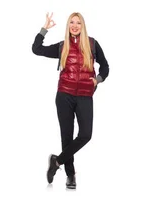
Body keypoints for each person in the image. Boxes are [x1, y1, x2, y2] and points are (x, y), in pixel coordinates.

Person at [32, 12, 109, 189]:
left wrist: (98, 79)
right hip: (64, 95)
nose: (75, 26)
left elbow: (105, 66)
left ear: (83, 26)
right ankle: (71, 175)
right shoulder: (62, 46)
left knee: (85, 135)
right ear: (68, 26)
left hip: (85, 95)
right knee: (66, 137)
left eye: (78, 23)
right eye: (71, 23)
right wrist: (44, 29)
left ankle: (56, 161)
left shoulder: (92, 44)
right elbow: (36, 49)